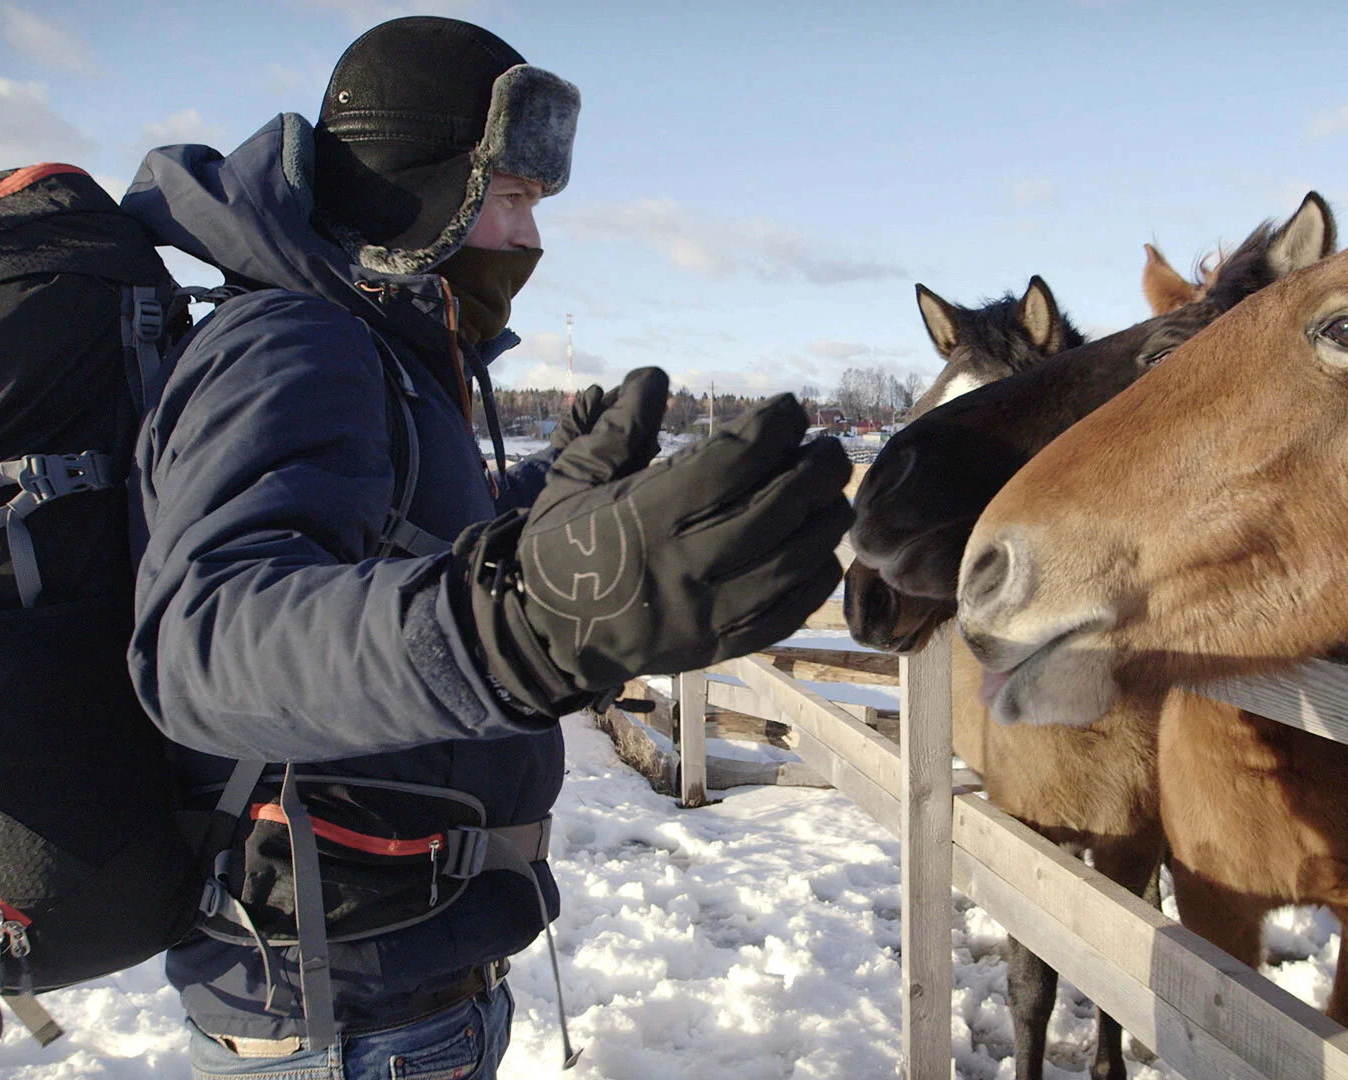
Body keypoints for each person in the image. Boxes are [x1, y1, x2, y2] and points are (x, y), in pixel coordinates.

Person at [120, 15, 852, 1078]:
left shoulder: (379, 346)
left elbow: (393, 542)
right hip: (339, 1018)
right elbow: (207, 641)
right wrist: (519, 627)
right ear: (416, 188)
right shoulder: (292, 339)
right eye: (509, 198)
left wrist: (561, 506)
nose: (531, 238)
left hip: (405, 987)